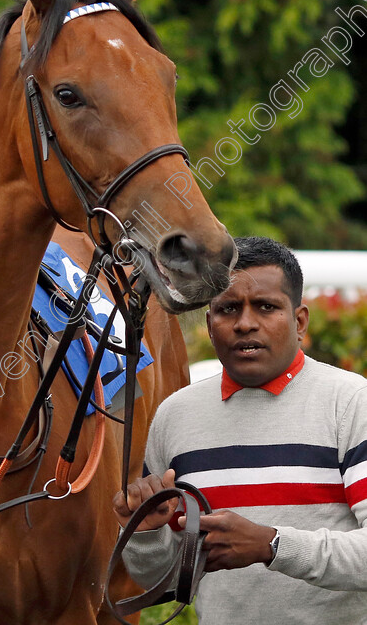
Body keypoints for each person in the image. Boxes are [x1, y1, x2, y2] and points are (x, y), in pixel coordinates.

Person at [113, 236, 367, 624]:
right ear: (209, 324)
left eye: (266, 307)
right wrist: (147, 534)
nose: (245, 323)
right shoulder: (175, 416)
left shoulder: (351, 403)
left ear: (299, 321)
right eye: (228, 308)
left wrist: (272, 545)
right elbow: (161, 582)